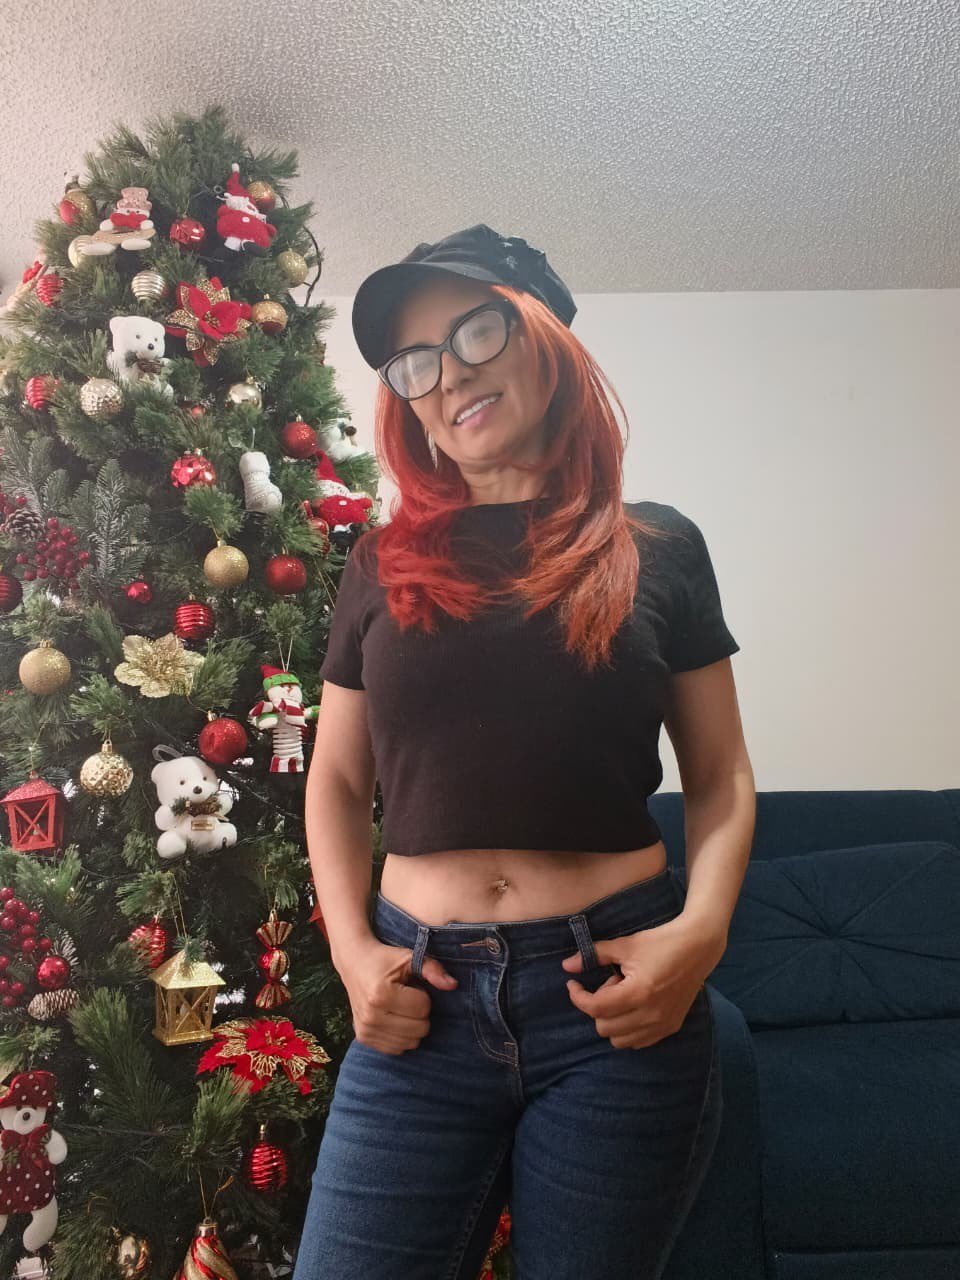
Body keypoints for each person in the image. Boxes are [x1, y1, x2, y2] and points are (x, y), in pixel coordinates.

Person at [296, 223, 756, 1279]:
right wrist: (351, 952)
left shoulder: (660, 547)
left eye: (474, 332)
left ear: (545, 338)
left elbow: (721, 775)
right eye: (416, 362)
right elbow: (337, 778)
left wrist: (701, 936)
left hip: (613, 1003)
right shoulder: (379, 562)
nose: (448, 374)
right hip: (419, 1000)